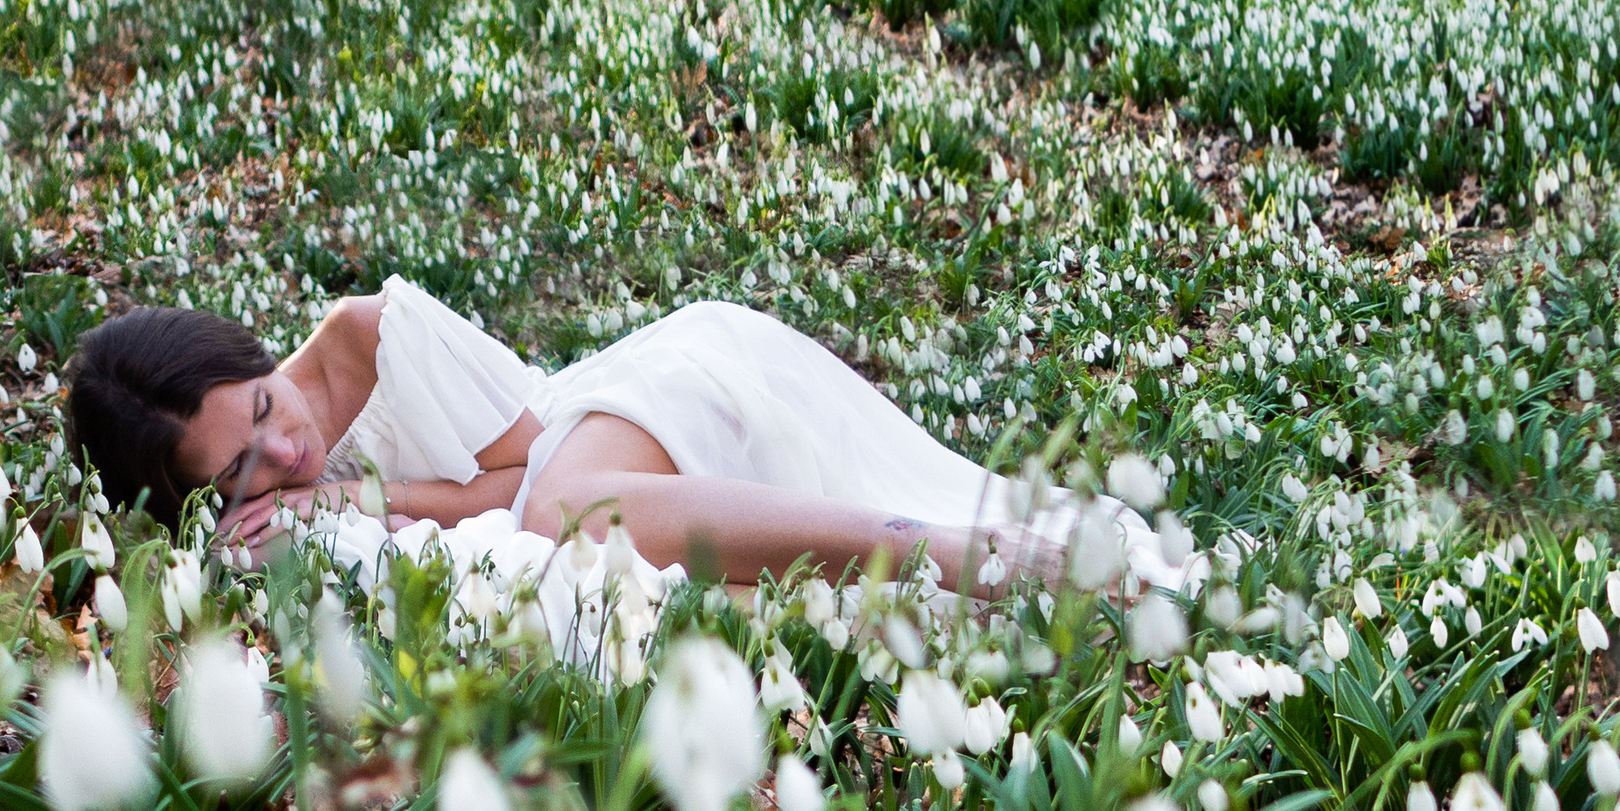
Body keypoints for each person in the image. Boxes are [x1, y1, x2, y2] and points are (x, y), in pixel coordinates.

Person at [64, 280, 1145, 595]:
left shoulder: (371, 334)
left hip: (643, 402)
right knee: (565, 522)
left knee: (552, 511)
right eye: (242, 466)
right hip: (627, 485)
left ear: (251, 356)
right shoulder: (233, 517)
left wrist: (362, 501)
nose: (286, 455)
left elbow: (512, 479)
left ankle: (932, 548)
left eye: (264, 409)